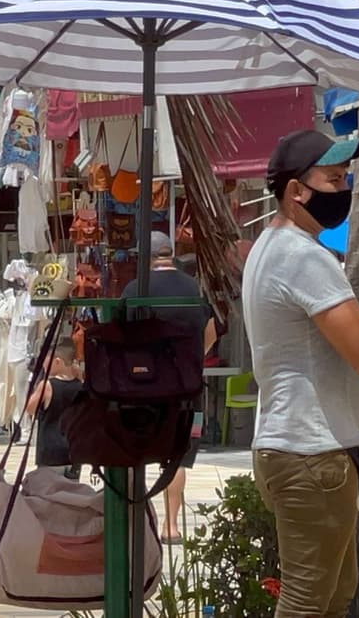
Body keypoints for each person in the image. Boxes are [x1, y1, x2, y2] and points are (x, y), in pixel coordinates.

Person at [243, 129, 359, 618]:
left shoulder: (267, 248)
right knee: (307, 602)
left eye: (345, 177)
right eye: (333, 178)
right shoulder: (303, 256)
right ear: (295, 190)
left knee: (333, 598)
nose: (344, 188)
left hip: (297, 446)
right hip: (311, 451)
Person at [122, 230, 217, 544]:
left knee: (136, 454)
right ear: (170, 254)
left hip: (144, 387)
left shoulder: (136, 288)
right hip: (189, 387)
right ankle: (171, 526)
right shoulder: (195, 288)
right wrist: (194, 358)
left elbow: (120, 334)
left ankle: (136, 522)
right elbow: (213, 330)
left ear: (146, 258)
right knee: (177, 457)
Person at [24, 337, 81, 479]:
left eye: (46, 361)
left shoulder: (47, 386)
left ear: (57, 362)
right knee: (71, 494)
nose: (43, 365)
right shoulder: (80, 386)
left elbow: (30, 408)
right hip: (73, 452)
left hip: (50, 453)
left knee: (50, 496)